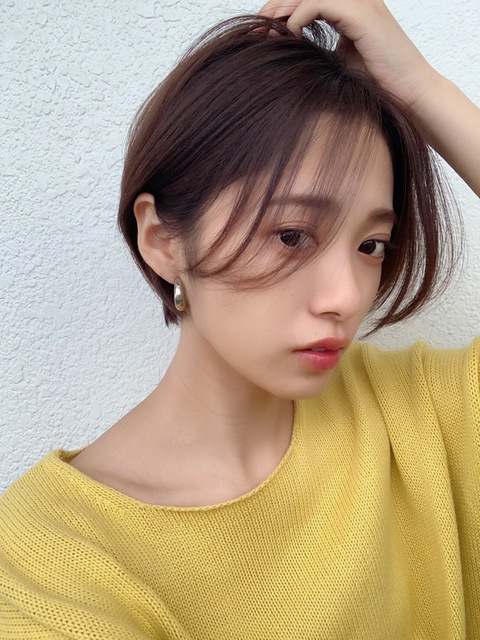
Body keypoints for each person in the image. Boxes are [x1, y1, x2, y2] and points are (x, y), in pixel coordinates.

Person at [0, 0, 478, 638]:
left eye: (371, 245)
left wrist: (425, 90)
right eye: (291, 235)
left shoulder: (423, 414)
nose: (345, 295)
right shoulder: (49, 561)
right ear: (163, 241)